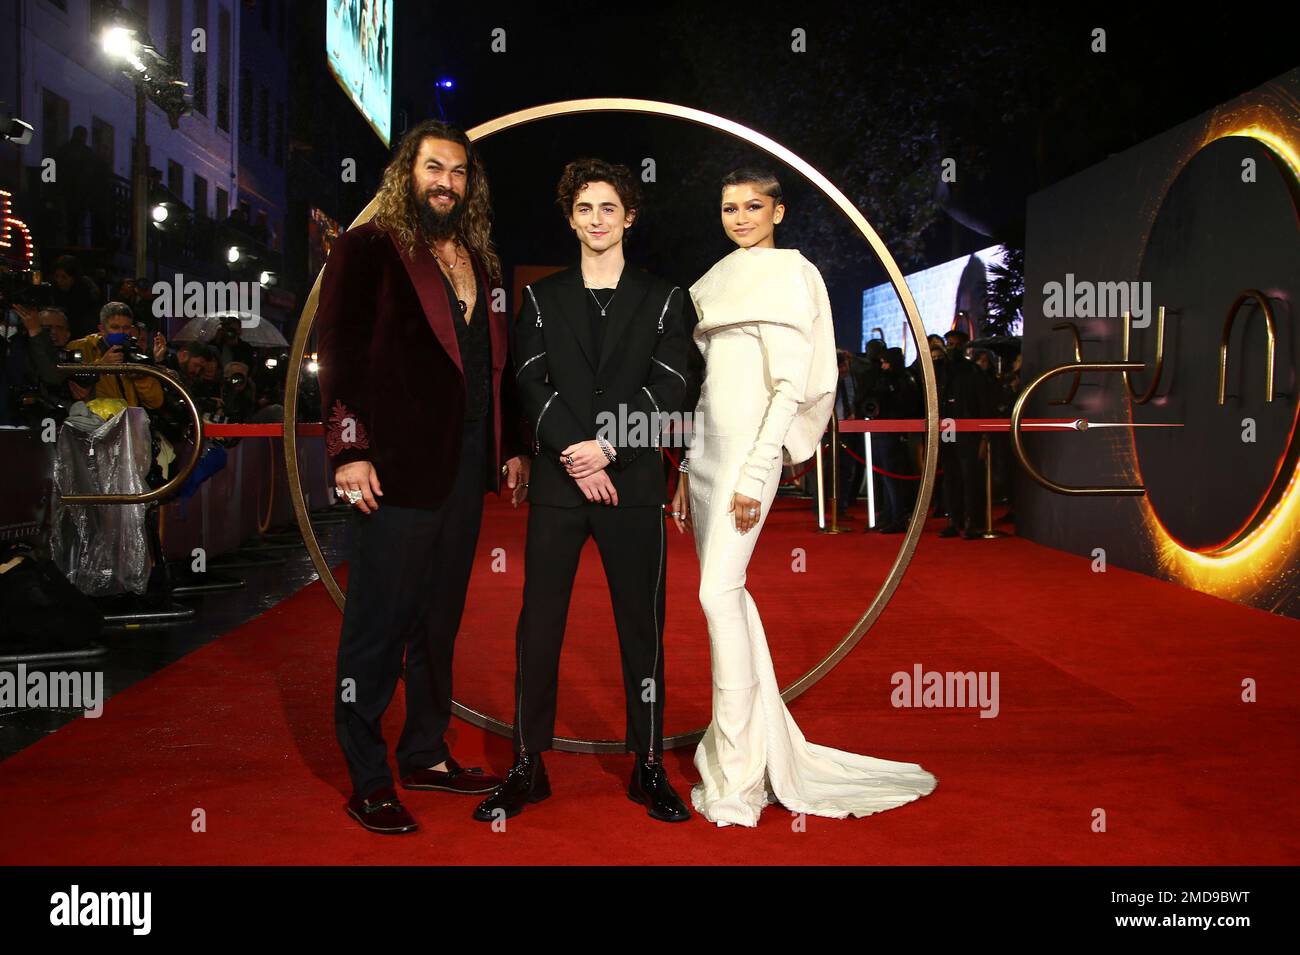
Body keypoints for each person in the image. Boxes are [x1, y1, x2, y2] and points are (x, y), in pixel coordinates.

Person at [670, 167, 937, 827]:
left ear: (779, 211)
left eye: (753, 205)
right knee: (726, 594)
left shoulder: (790, 273)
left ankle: (735, 773)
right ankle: (751, 742)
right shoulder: (714, 277)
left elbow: (790, 384)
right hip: (706, 454)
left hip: (746, 457)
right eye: (729, 206)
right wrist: (683, 471)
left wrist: (760, 466)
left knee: (715, 595)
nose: (738, 217)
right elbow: (707, 384)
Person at [316, 119, 531, 835]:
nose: (446, 181)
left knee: (438, 621)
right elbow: (339, 352)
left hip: (467, 469)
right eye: (434, 167)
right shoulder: (366, 248)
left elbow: (495, 366)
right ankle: (368, 776)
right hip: (394, 468)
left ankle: (425, 752)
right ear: (407, 173)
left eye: (459, 172)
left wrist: (512, 444)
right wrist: (349, 448)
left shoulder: (482, 259)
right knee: (377, 623)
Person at [473, 158, 694, 824]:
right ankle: (525, 764)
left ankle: (649, 762)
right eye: (584, 209)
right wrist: (579, 454)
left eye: (608, 208)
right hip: (560, 486)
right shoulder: (541, 298)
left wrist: (607, 447)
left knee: (643, 628)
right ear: (569, 217)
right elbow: (530, 379)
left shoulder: (665, 298)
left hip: (631, 484)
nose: (596, 220)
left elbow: (672, 385)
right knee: (538, 625)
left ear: (629, 216)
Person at [65, 302, 165, 410]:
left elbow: (155, 402)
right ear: (102, 328)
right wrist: (101, 365)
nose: (121, 332)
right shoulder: (80, 347)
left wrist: (140, 379)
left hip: (129, 422)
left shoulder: (134, 351)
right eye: (115, 327)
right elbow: (77, 391)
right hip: (94, 422)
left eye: (126, 328)